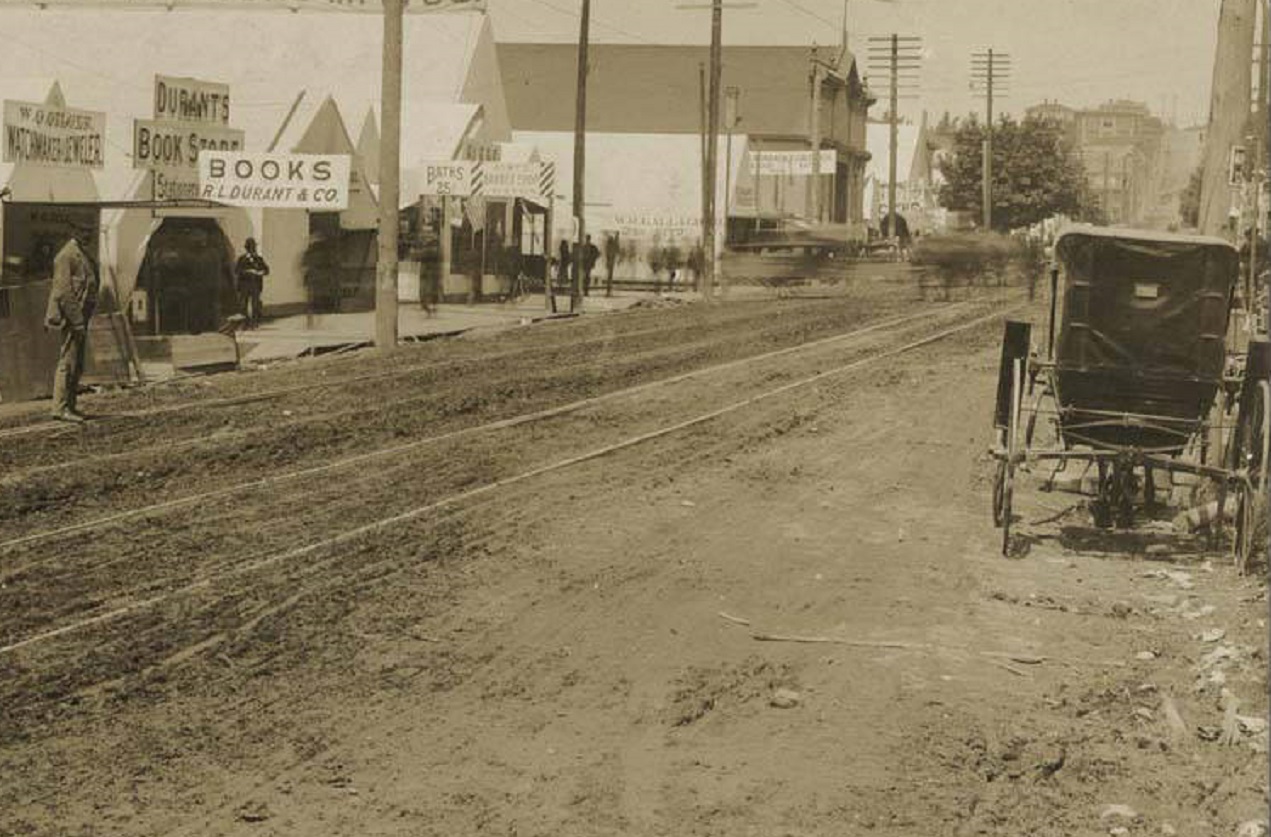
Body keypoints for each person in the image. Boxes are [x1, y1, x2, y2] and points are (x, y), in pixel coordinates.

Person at [45, 224, 100, 423]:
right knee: (67, 363)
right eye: (85, 231)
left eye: (90, 231)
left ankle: (70, 406)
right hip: (72, 318)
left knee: (77, 364)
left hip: (82, 317)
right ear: (74, 232)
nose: (89, 234)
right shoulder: (66, 256)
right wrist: (76, 321)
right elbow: (64, 292)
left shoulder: (82, 253)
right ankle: (60, 408)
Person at [235, 237, 270, 328]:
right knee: (243, 305)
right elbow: (237, 270)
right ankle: (245, 323)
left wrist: (260, 272)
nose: (252, 249)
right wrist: (248, 271)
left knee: (255, 305)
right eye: (250, 247)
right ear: (246, 248)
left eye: (253, 247)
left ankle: (254, 322)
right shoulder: (242, 259)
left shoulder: (258, 259)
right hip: (244, 285)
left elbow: (266, 270)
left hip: (255, 285)